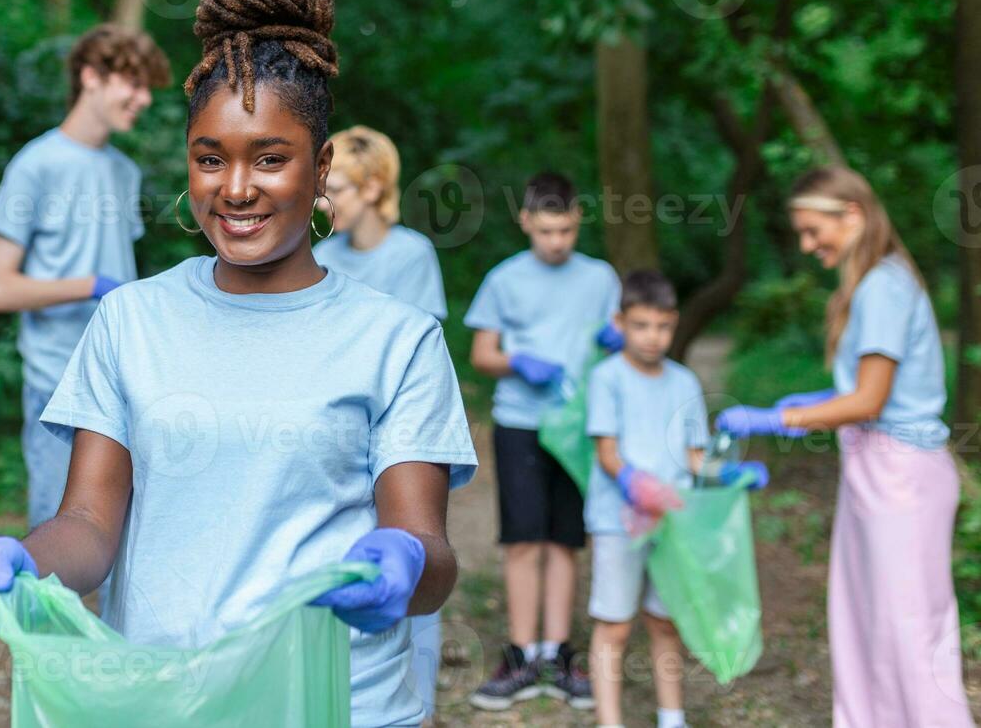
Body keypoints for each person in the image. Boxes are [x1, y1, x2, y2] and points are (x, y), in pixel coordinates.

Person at [0, 0, 479, 728]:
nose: (235, 188)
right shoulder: (130, 321)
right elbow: (92, 526)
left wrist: (402, 567)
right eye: (210, 158)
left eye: (271, 158)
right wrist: (28, 563)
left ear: (322, 166)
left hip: (344, 706)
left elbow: (428, 555)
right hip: (172, 701)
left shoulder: (397, 340)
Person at [716, 166, 974, 728]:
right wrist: (804, 403)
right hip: (875, 472)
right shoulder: (871, 284)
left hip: (902, 474)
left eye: (813, 231)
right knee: (865, 622)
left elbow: (869, 402)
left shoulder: (884, 284)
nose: (809, 247)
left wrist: (779, 416)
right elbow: (855, 391)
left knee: (909, 629)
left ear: (851, 215)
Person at [0, 24, 170, 527]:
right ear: (90, 77)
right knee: (58, 532)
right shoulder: (36, 165)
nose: (144, 98)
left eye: (148, 87)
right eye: (134, 83)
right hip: (56, 386)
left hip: (123, 380)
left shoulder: (124, 171)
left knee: (123, 534)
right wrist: (91, 285)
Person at [466, 172, 621, 712]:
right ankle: (521, 656)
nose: (557, 242)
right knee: (523, 540)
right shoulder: (504, 279)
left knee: (563, 541)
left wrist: (616, 340)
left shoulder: (601, 278)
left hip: (577, 428)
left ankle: (559, 656)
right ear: (526, 221)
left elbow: (618, 339)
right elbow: (482, 354)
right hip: (521, 423)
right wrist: (516, 363)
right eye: (546, 231)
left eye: (566, 231)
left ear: (578, 221)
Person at [584, 270, 766, 728]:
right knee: (615, 624)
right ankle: (609, 721)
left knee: (666, 621)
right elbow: (607, 452)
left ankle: (672, 717)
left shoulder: (684, 382)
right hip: (618, 520)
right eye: (641, 325)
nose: (653, 337)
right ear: (621, 322)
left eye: (663, 327)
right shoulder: (607, 378)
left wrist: (729, 473)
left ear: (675, 323)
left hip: (673, 522)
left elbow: (694, 458)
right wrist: (631, 480)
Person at [312, 124, 449, 724]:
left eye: (335, 186)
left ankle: (413, 706)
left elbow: (421, 358)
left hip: (396, 433)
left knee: (408, 548)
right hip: (333, 435)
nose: (324, 200)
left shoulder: (411, 255)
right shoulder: (321, 256)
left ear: (371, 188)